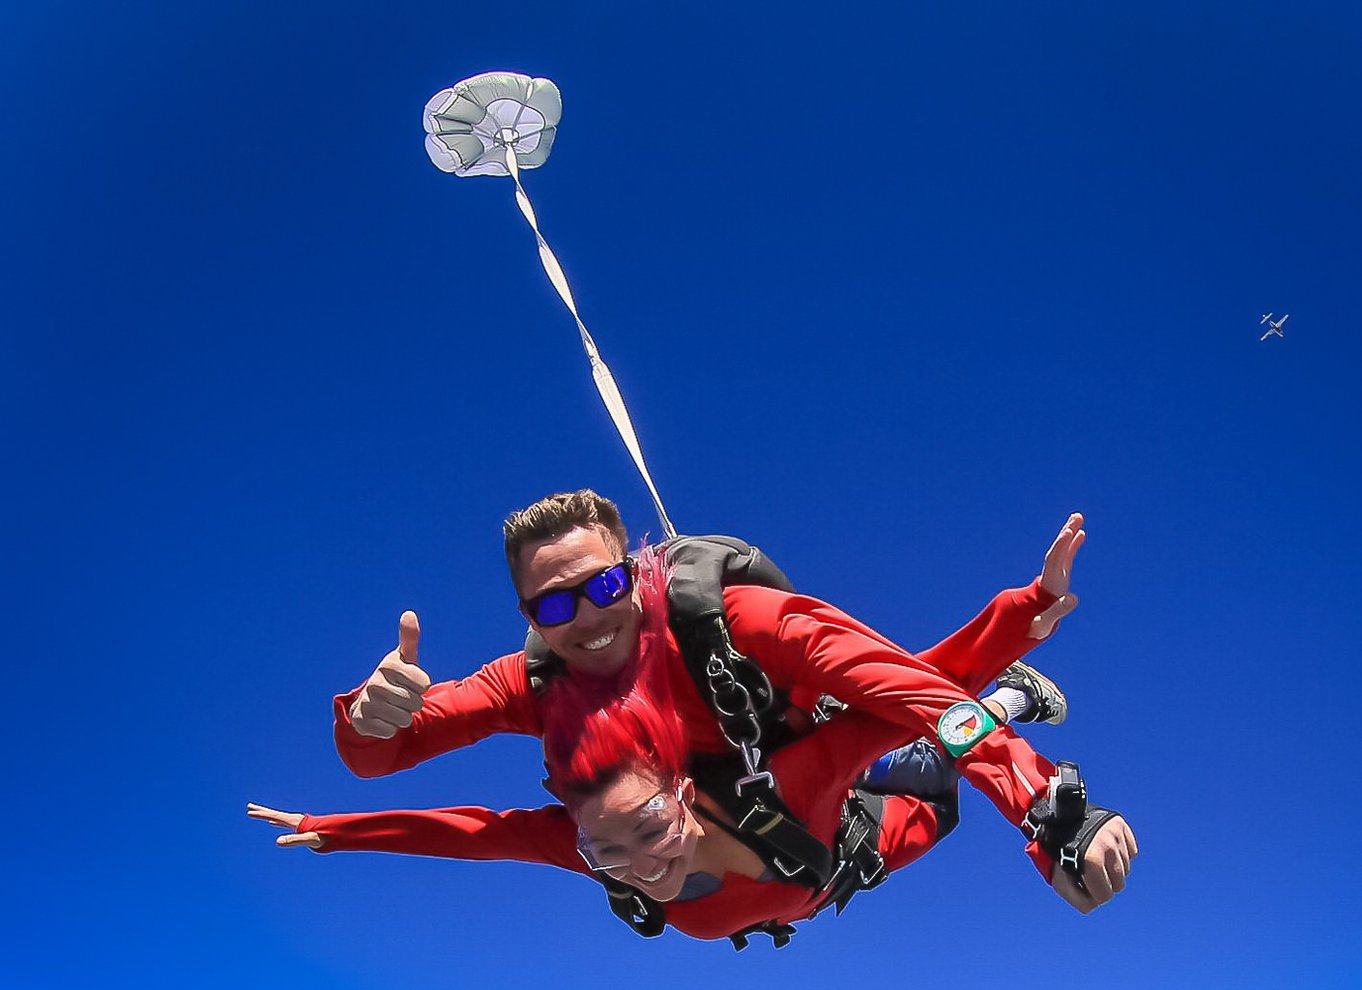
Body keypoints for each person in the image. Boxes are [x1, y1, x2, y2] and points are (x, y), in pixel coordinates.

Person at [250, 551, 1137, 945]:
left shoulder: (779, 763)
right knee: (895, 741)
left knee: (922, 763)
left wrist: (1051, 813)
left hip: (882, 813)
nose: (636, 865)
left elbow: (910, 691)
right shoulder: (599, 842)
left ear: (680, 792)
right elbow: (482, 833)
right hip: (832, 873)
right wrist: (340, 825)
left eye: (637, 832)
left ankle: (1018, 697)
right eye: (604, 850)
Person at [331, 490, 1126, 900]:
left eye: (604, 585)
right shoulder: (535, 684)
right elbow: (391, 761)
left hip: (814, 790)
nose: (588, 619)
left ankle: (1003, 704)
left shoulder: (737, 623)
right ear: (528, 617)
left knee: (899, 754)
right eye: (554, 606)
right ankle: (987, 707)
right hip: (744, 823)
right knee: (876, 745)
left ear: (638, 571)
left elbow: (905, 688)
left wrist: (1047, 815)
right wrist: (373, 719)